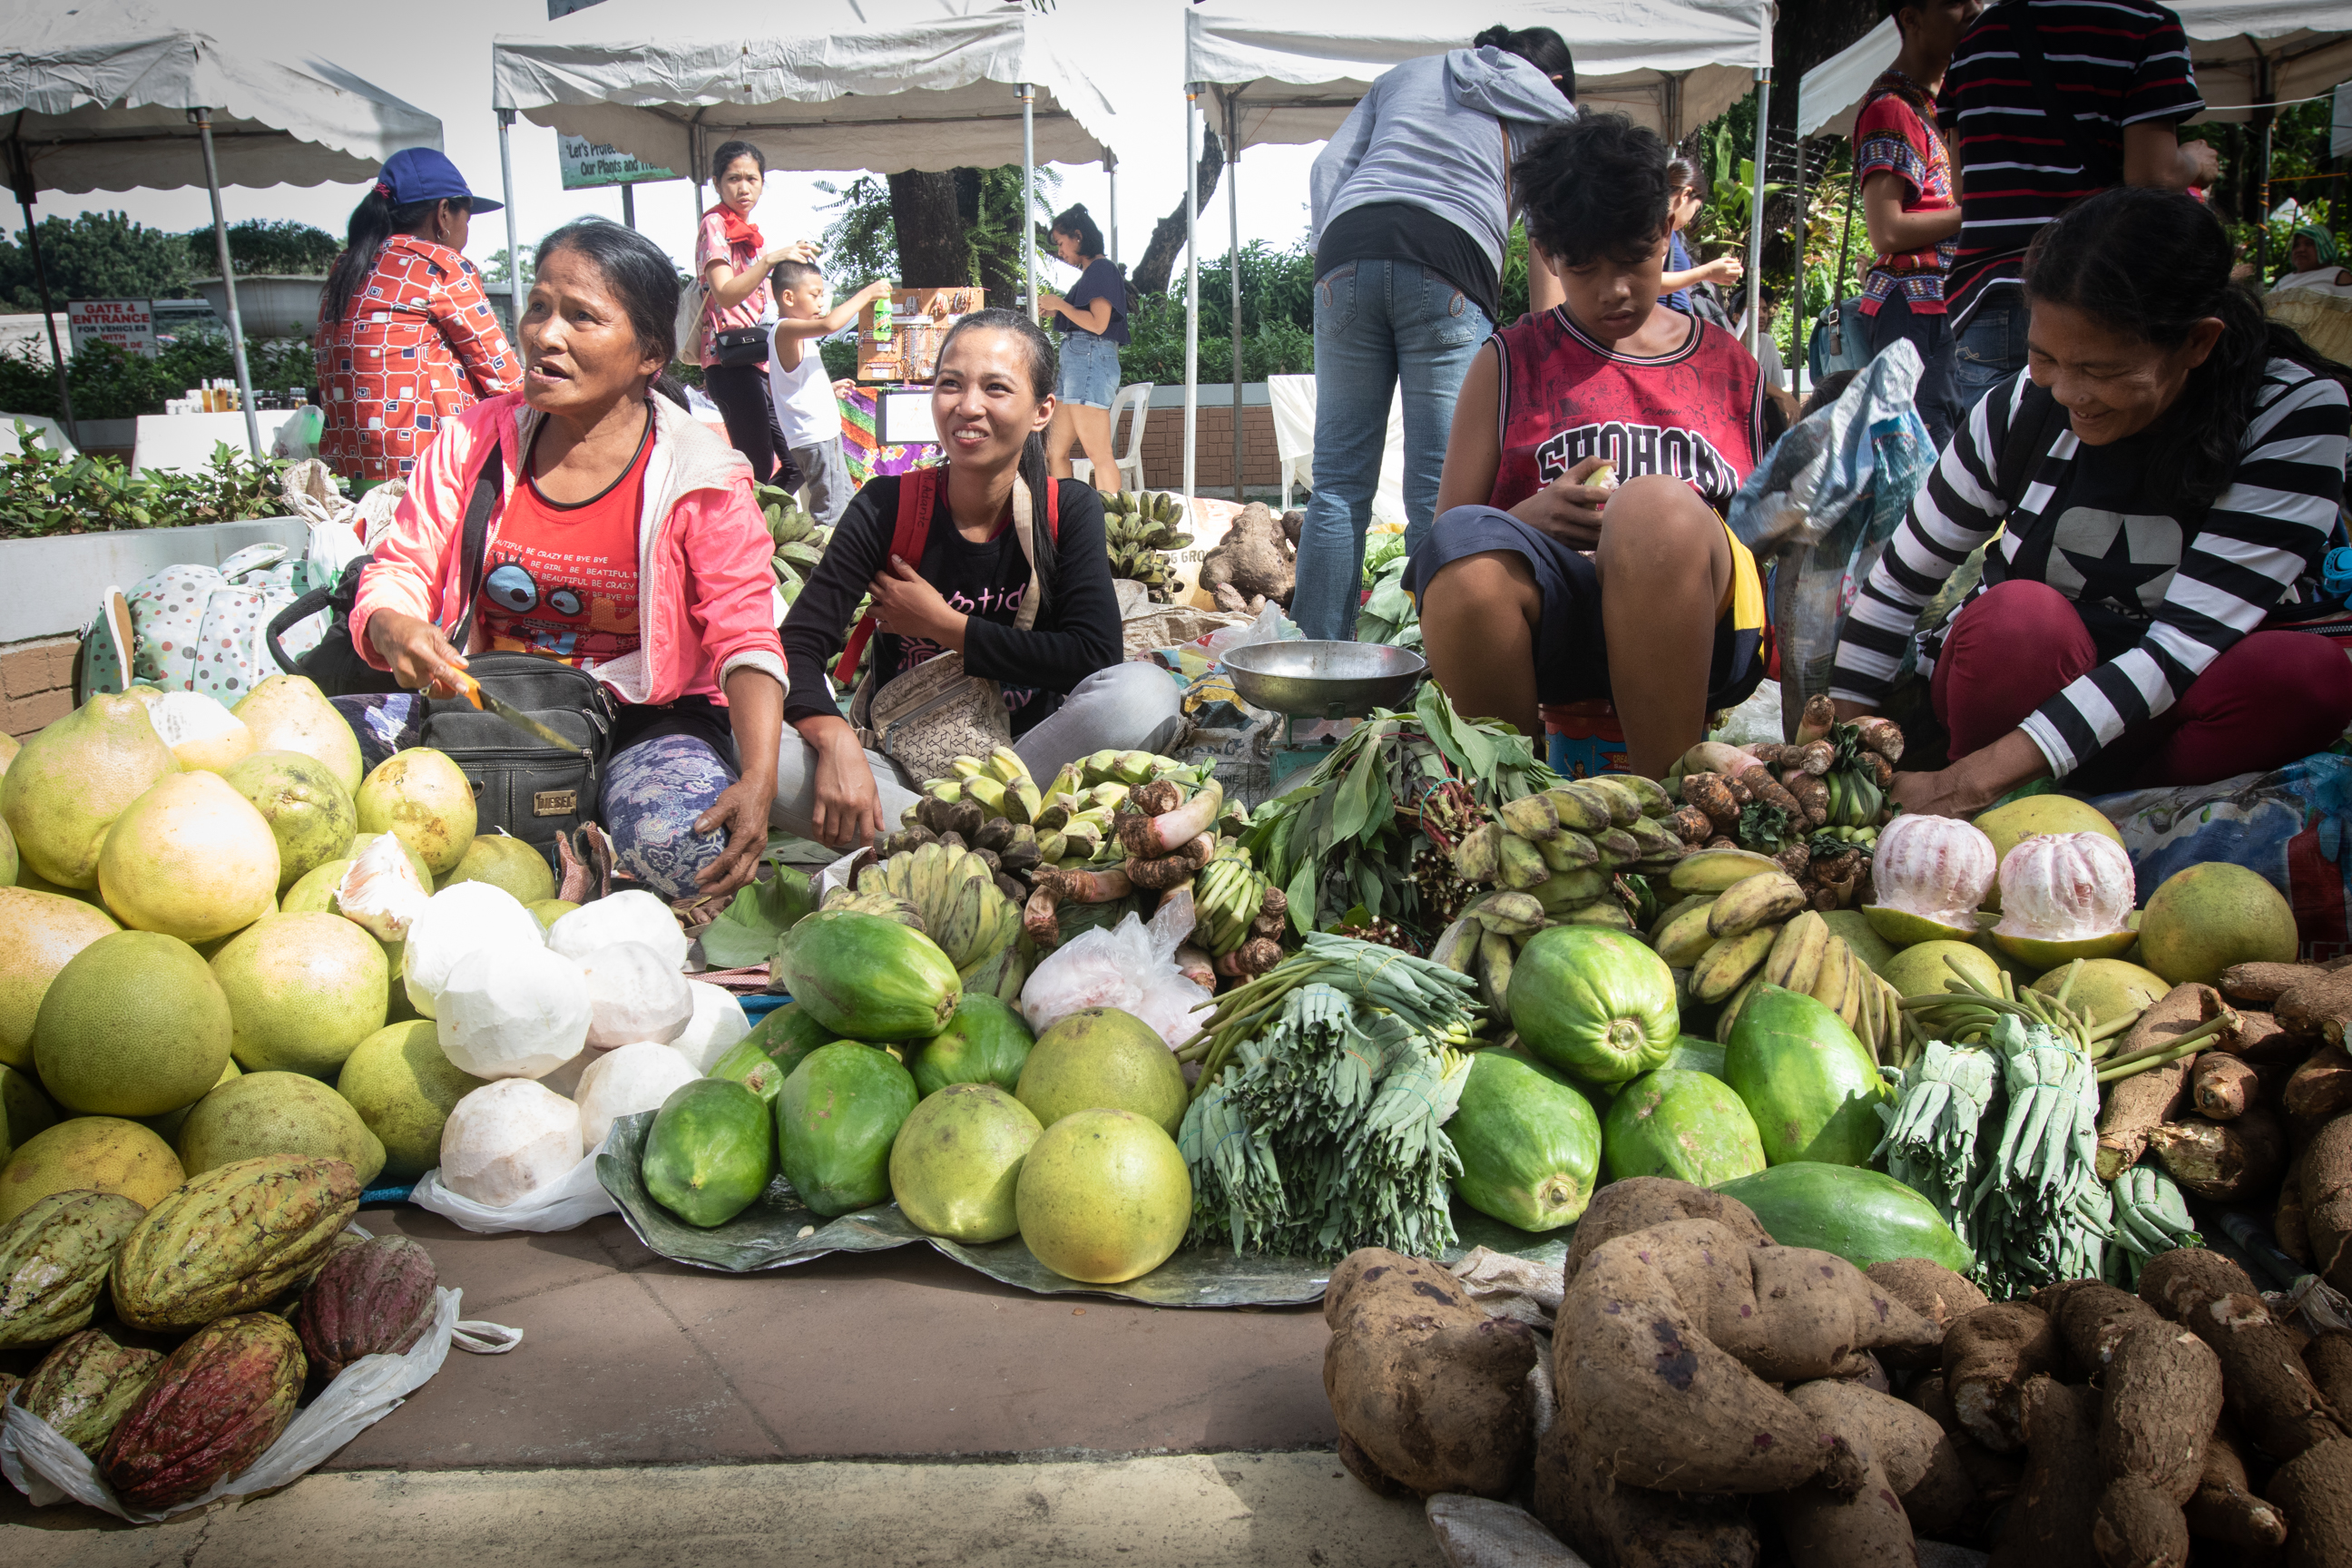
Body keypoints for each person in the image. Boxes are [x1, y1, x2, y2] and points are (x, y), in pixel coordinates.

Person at [1830, 188, 2352, 812]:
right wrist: (1839, 753)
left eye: (2100, 370)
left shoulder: (2293, 414)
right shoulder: (2021, 405)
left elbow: (2178, 649)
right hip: (2026, 689)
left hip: (2178, 710)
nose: (2070, 393)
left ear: (2197, 343)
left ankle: (2127, 810)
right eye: (2045, 355)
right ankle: (2009, 807)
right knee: (2016, 622)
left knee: (2308, 680)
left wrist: (1957, 784)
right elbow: (1895, 589)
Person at [342, 220, 788, 904]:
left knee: (696, 857)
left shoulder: (702, 475)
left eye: (582, 317)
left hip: (641, 720)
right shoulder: (471, 443)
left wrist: (756, 780)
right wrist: (392, 626)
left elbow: (745, 634)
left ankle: (578, 843)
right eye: (540, 308)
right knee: (308, 762)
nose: (546, 335)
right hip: (484, 706)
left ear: (649, 355)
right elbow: (399, 567)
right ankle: (569, 855)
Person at [1406, 113, 1768, 781]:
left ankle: (1671, 815)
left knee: (1653, 510)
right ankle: (1513, 814)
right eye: (1584, 266)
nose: (1615, 289)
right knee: (1466, 559)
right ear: (1546, 252)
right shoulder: (1511, 362)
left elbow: (1764, 533)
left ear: (1665, 231)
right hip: (1560, 629)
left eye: (1634, 258)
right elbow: (1441, 539)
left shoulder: (1730, 366)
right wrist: (1526, 519)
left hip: (1703, 629)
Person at [776, 309, 1182, 848]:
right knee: (753, 739)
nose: (968, 406)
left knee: (1146, 692)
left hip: (1037, 761)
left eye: (996, 388)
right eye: (951, 384)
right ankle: (991, 841)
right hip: (906, 771)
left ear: (1042, 411)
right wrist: (833, 739)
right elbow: (797, 646)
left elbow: (1093, 657)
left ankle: (946, 839)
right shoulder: (886, 507)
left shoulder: (1067, 509)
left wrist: (947, 627)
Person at [1291, 25, 1580, 641]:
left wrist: (1331, 260)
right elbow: (1550, 227)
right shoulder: (1541, 103)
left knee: (1338, 483)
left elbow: (1327, 167)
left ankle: (1312, 685)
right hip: (1448, 260)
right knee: (1440, 494)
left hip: (1347, 250)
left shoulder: (1403, 75)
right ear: (1552, 78)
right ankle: (1437, 682)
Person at [1928, 0, 2218, 436]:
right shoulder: (2145, 25)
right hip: (2103, 297)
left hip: (1989, 293)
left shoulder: (1979, 36)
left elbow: (1965, 187)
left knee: (1997, 469)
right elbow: (2151, 175)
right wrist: (2194, 163)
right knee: (2095, 476)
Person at [313, 148, 520, 486]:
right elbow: (505, 378)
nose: (466, 230)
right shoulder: (439, 265)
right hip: (428, 471)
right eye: (466, 217)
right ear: (443, 213)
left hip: (355, 466)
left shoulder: (347, 266)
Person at [1853, 0, 1981, 447]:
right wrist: (1981, 212)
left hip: (1938, 308)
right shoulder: (1891, 108)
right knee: (1925, 454)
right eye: (1954, 2)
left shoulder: (1936, 102)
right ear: (1911, 17)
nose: (1973, 10)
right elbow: (1886, 230)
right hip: (1914, 311)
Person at [695, 140, 815, 487]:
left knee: (797, 463)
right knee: (757, 467)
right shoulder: (714, 225)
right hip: (729, 362)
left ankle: (764, 531)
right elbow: (726, 293)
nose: (743, 187)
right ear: (717, 183)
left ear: (763, 183)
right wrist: (770, 260)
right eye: (733, 179)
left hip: (761, 359)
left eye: (752, 178)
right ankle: (744, 535)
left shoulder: (749, 234)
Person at [767, 260, 893, 526]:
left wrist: (829, 390)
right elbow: (830, 324)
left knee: (843, 502)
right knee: (830, 512)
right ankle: (823, 563)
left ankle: (840, 559)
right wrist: (868, 293)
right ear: (788, 297)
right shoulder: (785, 330)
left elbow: (796, 384)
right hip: (815, 436)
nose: (821, 304)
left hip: (823, 433)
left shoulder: (797, 336)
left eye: (822, 296)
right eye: (815, 295)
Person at [1038, 203, 1130, 492]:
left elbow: (1099, 323)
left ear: (1078, 237)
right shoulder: (1094, 273)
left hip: (1089, 358)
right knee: (1054, 451)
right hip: (1080, 360)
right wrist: (1061, 311)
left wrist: (1059, 304)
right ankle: (1066, 516)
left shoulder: (1101, 269)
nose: (1060, 251)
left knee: (1099, 454)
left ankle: (1111, 526)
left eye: (1062, 243)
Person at [1657, 159, 1743, 317]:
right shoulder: (1659, 224)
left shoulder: (1665, 227)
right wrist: (1707, 272)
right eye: (1695, 208)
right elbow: (1653, 282)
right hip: (1663, 325)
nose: (1690, 219)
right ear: (1685, 195)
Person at [2266, 227, 2352, 300]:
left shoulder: (2337, 275)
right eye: (2296, 245)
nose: (2301, 249)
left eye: (2309, 244)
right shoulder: (2284, 280)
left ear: (2324, 246)